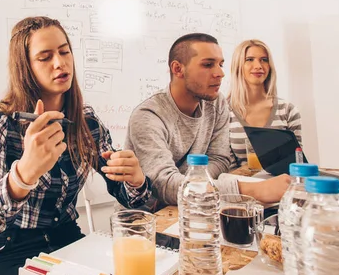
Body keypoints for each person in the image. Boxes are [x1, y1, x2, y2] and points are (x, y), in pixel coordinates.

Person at [0, 16, 151, 275]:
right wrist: (22, 176)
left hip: (69, 241)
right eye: (45, 57)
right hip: (13, 251)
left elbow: (131, 198)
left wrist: (135, 179)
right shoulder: (0, 124)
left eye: (64, 51)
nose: (60, 63)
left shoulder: (86, 120)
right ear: (25, 67)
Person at [124, 33, 290, 209]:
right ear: (178, 69)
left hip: (200, 206)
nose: (220, 73)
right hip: (149, 221)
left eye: (220, 64)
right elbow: (163, 185)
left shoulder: (216, 103)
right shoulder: (148, 116)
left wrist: (192, 182)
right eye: (208, 65)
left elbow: (220, 159)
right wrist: (252, 190)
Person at [228, 39, 302, 166]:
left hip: (282, 183)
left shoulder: (287, 110)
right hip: (242, 183)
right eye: (249, 59)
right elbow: (226, 166)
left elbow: (297, 160)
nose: (258, 66)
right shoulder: (224, 112)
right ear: (238, 66)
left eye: (264, 60)